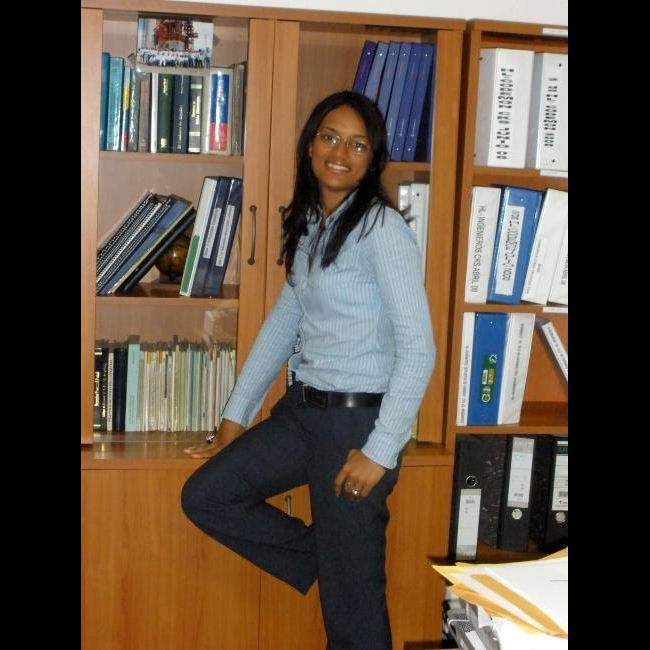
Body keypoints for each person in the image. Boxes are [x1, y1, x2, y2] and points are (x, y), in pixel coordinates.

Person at [181, 90, 435, 650]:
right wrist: (235, 417)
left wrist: (379, 451)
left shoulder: (381, 229)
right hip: (304, 412)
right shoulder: (312, 224)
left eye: (357, 144)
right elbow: (283, 321)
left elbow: (419, 349)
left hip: (356, 427)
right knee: (208, 495)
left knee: (353, 614)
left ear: (373, 158)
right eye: (330, 137)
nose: (340, 153)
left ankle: (342, 561)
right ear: (311, 144)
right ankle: (330, 555)